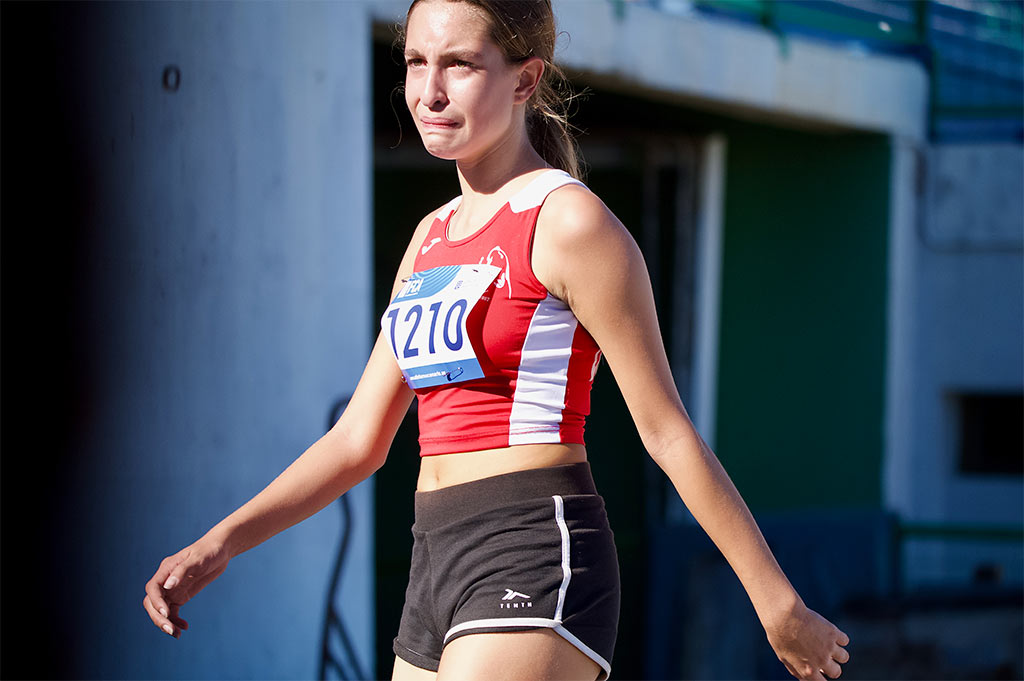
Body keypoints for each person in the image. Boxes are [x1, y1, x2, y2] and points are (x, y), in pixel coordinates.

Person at [144, 1, 851, 679]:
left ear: (526, 77)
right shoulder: (429, 237)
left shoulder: (570, 222)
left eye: (459, 64)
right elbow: (358, 440)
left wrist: (774, 598)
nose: (429, 90)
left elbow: (666, 432)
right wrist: (221, 541)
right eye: (416, 62)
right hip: (434, 555)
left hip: (535, 544)